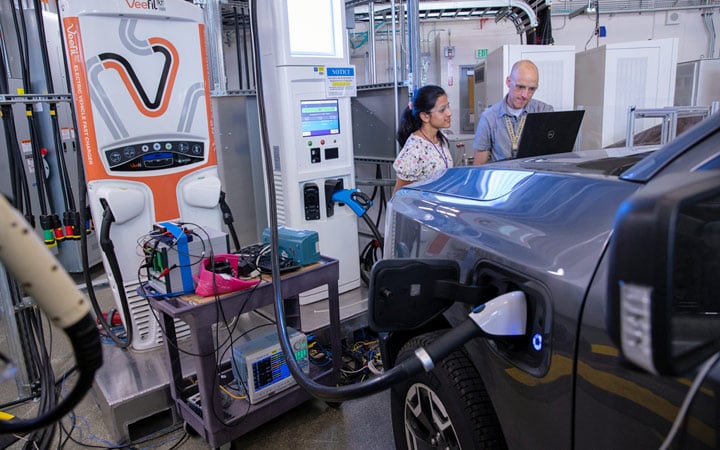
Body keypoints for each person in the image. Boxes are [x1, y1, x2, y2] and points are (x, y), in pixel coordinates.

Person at [473, 59, 553, 165]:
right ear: (508, 82)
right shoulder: (489, 118)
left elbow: (555, 155)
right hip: (504, 178)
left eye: (532, 89)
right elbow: (479, 165)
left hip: (535, 177)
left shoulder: (544, 111)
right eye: (520, 87)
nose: (525, 95)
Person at [393, 85, 453, 195]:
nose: (449, 113)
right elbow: (399, 196)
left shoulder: (440, 138)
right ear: (425, 116)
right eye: (442, 110)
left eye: (448, 107)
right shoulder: (414, 149)